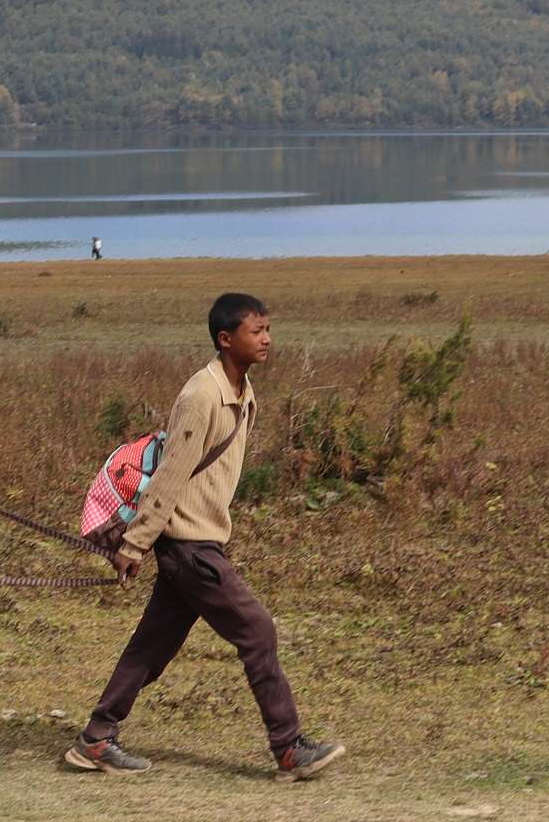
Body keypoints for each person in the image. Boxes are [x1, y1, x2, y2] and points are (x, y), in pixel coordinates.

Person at [62, 292, 345, 781]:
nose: (267, 339)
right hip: (190, 546)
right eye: (256, 331)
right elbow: (171, 474)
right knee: (258, 631)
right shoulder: (201, 395)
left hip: (197, 541)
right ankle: (289, 748)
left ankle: (96, 739)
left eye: (267, 329)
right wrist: (134, 544)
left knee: (151, 646)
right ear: (225, 338)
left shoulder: (242, 390)